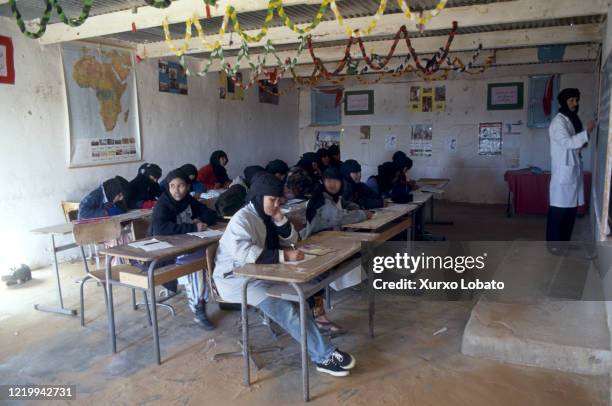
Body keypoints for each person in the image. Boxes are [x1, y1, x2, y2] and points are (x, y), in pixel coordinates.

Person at [213, 172, 356, 376]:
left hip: (260, 274)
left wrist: (280, 219)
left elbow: (293, 240)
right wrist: (284, 256)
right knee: (286, 308)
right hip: (237, 280)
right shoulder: (242, 219)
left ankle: (319, 354)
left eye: (278, 200)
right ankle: (325, 356)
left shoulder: (266, 214)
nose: (276, 204)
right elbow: (245, 254)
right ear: (258, 197)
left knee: (298, 298)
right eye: (272, 200)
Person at [149, 169, 219, 329]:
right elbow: (160, 229)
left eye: (181, 185)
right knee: (198, 264)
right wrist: (192, 227)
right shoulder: (163, 203)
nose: (176, 190)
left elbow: (210, 214)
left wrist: (201, 220)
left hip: (187, 246)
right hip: (166, 254)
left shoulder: (187, 200)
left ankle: (218, 294)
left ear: (188, 186)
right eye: (172, 186)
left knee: (214, 253)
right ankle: (198, 307)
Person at [546, 88, 596, 243]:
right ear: (564, 102)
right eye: (571, 101)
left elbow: (575, 144)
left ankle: (564, 243)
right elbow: (567, 143)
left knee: (570, 212)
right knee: (559, 213)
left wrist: (582, 141)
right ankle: (554, 245)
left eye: (576, 100)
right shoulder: (558, 122)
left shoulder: (570, 120)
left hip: (572, 171)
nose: (575, 103)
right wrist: (587, 131)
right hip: (563, 173)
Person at [302, 168, 370, 239]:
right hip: (316, 241)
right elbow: (338, 218)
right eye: (328, 181)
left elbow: (346, 204)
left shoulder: (335, 197)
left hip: (332, 237)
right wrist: (362, 214)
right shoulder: (320, 199)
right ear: (323, 183)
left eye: (336, 181)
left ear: (341, 182)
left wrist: (354, 208)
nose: (332, 184)